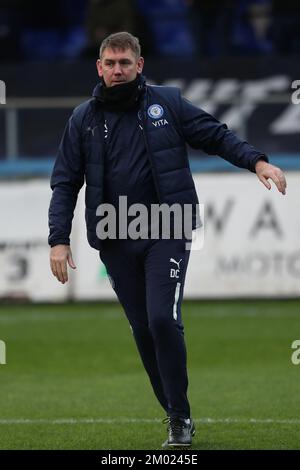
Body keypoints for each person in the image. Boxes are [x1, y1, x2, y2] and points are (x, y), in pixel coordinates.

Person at [48, 31, 287, 448]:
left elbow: (216, 135)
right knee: (143, 330)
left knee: (161, 318)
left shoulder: (168, 103)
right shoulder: (83, 119)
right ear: (99, 67)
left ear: (139, 65)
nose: (117, 70)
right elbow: (66, 183)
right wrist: (58, 239)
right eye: (110, 63)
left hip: (167, 229)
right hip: (116, 235)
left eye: (125, 63)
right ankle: (177, 411)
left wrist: (257, 161)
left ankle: (179, 419)